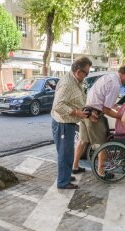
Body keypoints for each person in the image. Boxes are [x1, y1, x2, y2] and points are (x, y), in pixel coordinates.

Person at [72, 64, 125, 178]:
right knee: (103, 144)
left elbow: (103, 98)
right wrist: (121, 117)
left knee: (82, 141)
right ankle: (101, 172)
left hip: (86, 111)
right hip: (95, 115)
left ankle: (74, 167)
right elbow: (106, 109)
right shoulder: (115, 84)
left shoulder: (108, 77)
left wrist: (115, 106)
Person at [50, 56, 92, 190]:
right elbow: (58, 106)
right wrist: (76, 113)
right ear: (78, 71)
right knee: (64, 154)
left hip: (67, 123)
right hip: (62, 124)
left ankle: (66, 176)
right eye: (86, 73)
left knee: (67, 152)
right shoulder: (67, 83)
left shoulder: (75, 81)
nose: (87, 75)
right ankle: (63, 182)